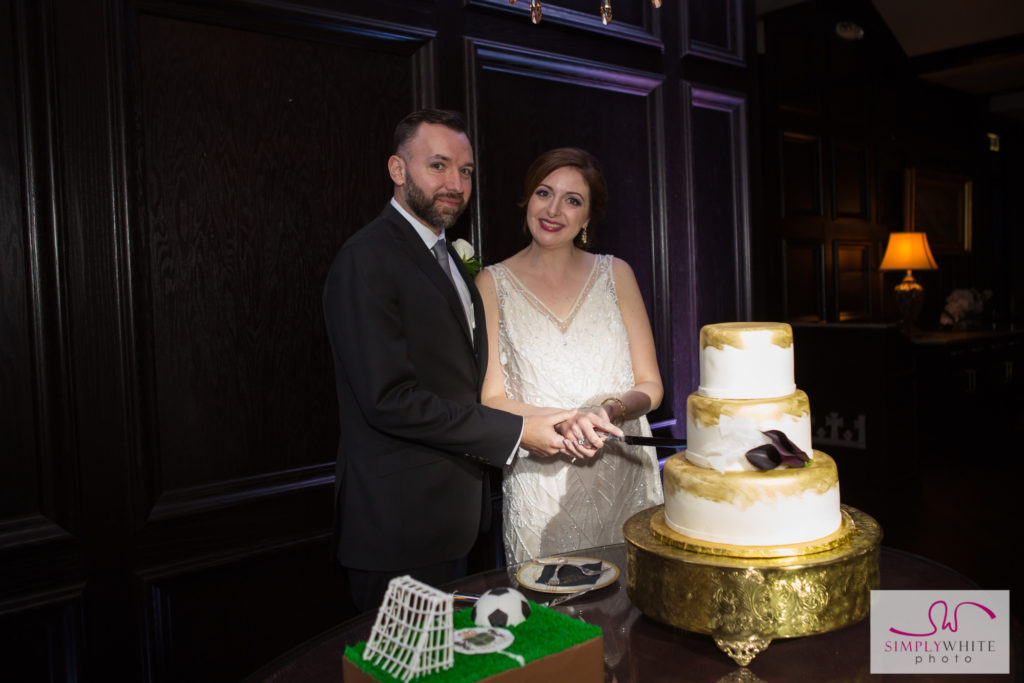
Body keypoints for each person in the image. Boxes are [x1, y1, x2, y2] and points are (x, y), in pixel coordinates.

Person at [323, 110, 575, 611]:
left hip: (453, 521)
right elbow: (389, 400)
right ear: (398, 170)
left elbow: (462, 380)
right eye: (438, 166)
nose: (455, 184)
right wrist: (516, 434)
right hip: (396, 529)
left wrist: (545, 416)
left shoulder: (451, 258)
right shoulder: (366, 259)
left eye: (465, 171)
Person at [476, 147, 665, 566]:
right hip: (541, 480)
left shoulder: (617, 274)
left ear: (588, 216)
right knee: (555, 622)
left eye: (572, 200)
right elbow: (491, 398)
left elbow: (651, 385)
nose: (554, 209)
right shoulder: (492, 283)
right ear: (528, 199)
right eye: (544, 193)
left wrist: (609, 409)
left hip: (623, 473)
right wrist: (565, 419)